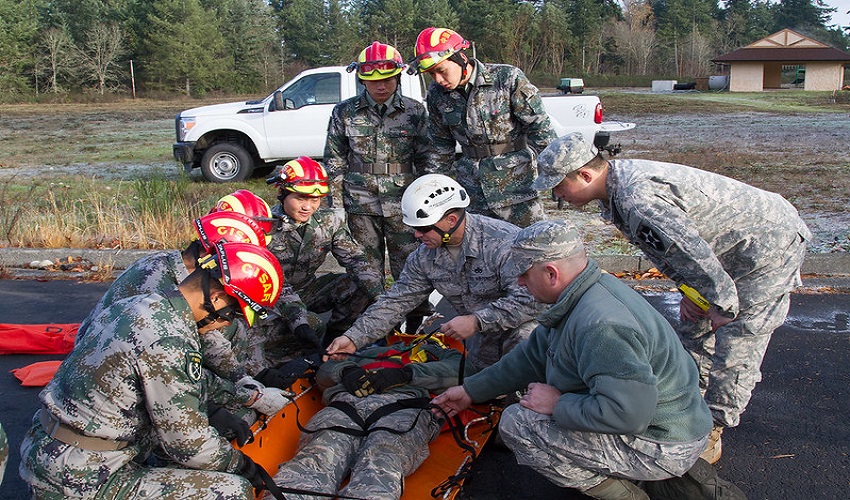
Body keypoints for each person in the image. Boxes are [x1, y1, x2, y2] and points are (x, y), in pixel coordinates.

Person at [533, 133, 811, 464]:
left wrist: (721, 304)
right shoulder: (616, 190)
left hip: (767, 249)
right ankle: (688, 411)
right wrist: (691, 291)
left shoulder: (636, 198)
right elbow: (674, 252)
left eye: (558, 185)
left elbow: (690, 252)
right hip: (721, 252)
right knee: (693, 329)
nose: (556, 194)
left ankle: (713, 430)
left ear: (585, 175)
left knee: (738, 347)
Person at [432, 220, 746, 500]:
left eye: (524, 276)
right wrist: (471, 390)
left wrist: (557, 405)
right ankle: (661, 482)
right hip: (661, 422)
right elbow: (530, 357)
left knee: (520, 424)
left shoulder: (602, 326)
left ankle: (629, 493)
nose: (520, 285)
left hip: (662, 440)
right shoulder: (582, 296)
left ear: (551, 273)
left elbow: (627, 415)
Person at [20, 242, 285, 499]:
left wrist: (240, 395)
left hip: (51, 449)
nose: (222, 326)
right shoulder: (169, 340)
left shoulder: (142, 304)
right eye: (231, 316)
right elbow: (189, 445)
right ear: (215, 298)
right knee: (231, 491)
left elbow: (185, 379)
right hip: (83, 477)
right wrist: (242, 465)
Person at [71, 210, 288, 418]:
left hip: (126, 359)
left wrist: (241, 378)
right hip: (104, 388)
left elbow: (207, 337)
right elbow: (178, 371)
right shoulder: (157, 284)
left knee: (232, 328)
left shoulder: (180, 277)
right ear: (209, 255)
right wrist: (244, 396)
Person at [325, 173, 542, 374]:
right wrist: (353, 338)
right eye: (415, 228)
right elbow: (395, 302)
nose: (417, 235)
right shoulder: (424, 257)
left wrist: (476, 321)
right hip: (482, 341)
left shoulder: (505, 243)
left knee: (526, 337)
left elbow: (532, 300)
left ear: (451, 220)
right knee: (479, 389)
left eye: (425, 227)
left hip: (521, 335)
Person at [266, 338, 462, 500]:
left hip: (403, 406)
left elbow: (462, 372)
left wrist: (406, 374)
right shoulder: (364, 352)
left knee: (383, 458)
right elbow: (325, 372)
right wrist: (345, 371)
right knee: (319, 455)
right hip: (346, 402)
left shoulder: (439, 354)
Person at [324, 41, 432, 333]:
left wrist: (427, 202)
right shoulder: (345, 112)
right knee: (365, 269)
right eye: (373, 81)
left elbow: (427, 158)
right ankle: (374, 328)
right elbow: (334, 160)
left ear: (397, 77)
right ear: (362, 79)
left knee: (410, 266)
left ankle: (414, 323)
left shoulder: (415, 112)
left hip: (404, 202)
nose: (380, 86)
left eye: (386, 79)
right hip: (360, 203)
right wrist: (334, 206)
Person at [409, 27, 557, 228]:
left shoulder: (506, 78)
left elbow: (540, 129)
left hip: (517, 188)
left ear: (460, 58)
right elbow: (440, 148)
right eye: (431, 74)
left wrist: (557, 175)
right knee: (480, 252)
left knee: (529, 248)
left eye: (441, 71)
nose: (437, 80)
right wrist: (433, 189)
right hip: (472, 191)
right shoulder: (436, 94)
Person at [258, 156, 385, 368]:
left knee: (358, 285)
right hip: (269, 300)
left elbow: (356, 260)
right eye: (300, 198)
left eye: (315, 200)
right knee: (309, 325)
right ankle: (287, 358)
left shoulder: (329, 221)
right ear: (282, 193)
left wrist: (382, 300)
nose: (308, 207)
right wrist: (301, 323)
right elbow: (276, 284)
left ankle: (334, 342)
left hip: (307, 290)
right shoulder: (263, 227)